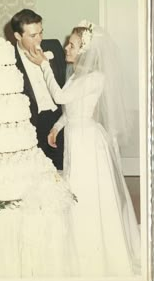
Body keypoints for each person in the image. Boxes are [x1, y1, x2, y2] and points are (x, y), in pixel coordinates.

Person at [25, 20, 141, 277]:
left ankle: (96, 255)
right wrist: (56, 127)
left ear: (85, 51)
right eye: (70, 43)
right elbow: (71, 109)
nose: (67, 47)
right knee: (76, 192)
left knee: (88, 195)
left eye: (73, 45)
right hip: (76, 139)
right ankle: (79, 247)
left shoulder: (96, 78)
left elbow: (61, 98)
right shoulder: (77, 74)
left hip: (88, 143)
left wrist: (44, 65)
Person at [10, 9, 65, 170]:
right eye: (33, 35)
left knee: (62, 169)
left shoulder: (53, 46)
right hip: (32, 123)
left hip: (60, 118)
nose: (39, 39)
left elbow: (65, 81)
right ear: (18, 36)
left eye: (41, 32)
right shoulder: (8, 58)